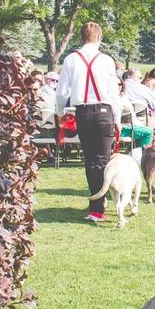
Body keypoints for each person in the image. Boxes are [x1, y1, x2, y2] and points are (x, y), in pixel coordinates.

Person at [55, 22, 122, 223]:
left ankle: (97, 204)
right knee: (101, 160)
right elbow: (113, 94)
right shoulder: (107, 60)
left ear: (81, 38)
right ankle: (99, 204)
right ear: (99, 38)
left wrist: (59, 114)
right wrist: (117, 119)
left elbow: (61, 92)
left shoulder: (70, 60)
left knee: (91, 160)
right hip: (103, 112)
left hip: (83, 113)